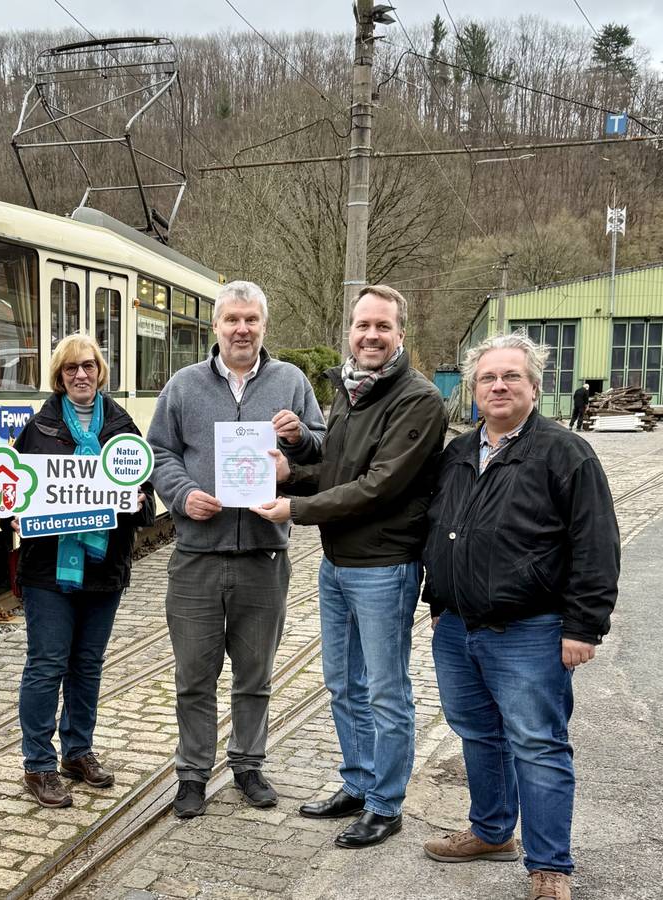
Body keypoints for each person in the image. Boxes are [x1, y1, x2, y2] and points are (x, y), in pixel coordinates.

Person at [420, 333, 619, 900]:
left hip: (531, 630)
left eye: (512, 377)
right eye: (488, 378)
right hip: (458, 628)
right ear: (474, 389)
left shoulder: (565, 453)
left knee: (538, 743)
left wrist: (584, 626)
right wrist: (439, 603)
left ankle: (550, 867)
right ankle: (490, 831)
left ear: (534, 387)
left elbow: (596, 544)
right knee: (478, 734)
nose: (499, 385)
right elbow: (441, 530)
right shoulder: (458, 453)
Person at [252, 284, 447, 849]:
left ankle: (386, 804)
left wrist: (297, 507)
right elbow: (340, 469)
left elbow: (380, 487)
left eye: (382, 327)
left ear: (399, 335)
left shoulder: (419, 399)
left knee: (385, 689)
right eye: (362, 325)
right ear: (351, 331)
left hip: (384, 566)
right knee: (342, 684)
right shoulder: (351, 391)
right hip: (339, 565)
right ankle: (358, 784)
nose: (370, 335)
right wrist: (294, 472)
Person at [147, 279, 327, 819]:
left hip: (264, 558)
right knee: (193, 676)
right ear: (216, 326)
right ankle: (193, 774)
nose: (241, 329)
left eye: (251, 320)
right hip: (197, 556)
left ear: (263, 326)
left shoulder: (291, 381)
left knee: (256, 674)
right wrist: (182, 495)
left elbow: (323, 447)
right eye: (232, 320)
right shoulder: (183, 385)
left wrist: (295, 444)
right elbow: (159, 452)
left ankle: (248, 764)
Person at [11, 334, 155, 808]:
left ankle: (77, 750)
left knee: (87, 664)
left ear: (100, 371)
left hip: (104, 567)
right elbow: (16, 489)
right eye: (71, 368)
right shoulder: (40, 427)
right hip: (48, 570)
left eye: (88, 366)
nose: (81, 375)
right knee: (48, 664)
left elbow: (146, 499)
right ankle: (37, 764)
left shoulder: (121, 425)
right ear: (60, 375)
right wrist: (16, 511)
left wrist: (136, 502)